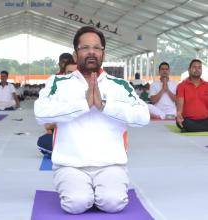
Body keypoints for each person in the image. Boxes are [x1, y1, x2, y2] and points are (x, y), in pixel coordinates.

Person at [34, 26, 150, 214]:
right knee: (76, 204)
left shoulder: (119, 85)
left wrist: (104, 105)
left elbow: (143, 117)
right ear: (75, 53)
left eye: (97, 48)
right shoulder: (58, 82)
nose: (91, 52)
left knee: (113, 204)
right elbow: (41, 113)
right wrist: (83, 104)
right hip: (70, 165)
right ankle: (82, 189)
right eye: (85, 47)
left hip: (111, 165)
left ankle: (99, 190)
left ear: (103, 53)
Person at [37, 60, 77, 157]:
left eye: (76, 73)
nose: (73, 76)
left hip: (83, 135)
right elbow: (47, 125)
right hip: (64, 135)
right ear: (64, 74)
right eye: (69, 73)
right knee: (43, 141)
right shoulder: (57, 92)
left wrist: (62, 118)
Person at [176, 59, 208, 132]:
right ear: (189, 70)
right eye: (194, 67)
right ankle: (193, 128)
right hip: (188, 120)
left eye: (199, 67)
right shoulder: (181, 86)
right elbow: (180, 102)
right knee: (181, 122)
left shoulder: (207, 85)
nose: (197, 69)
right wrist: (179, 113)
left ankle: (190, 129)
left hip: (205, 120)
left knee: (188, 126)